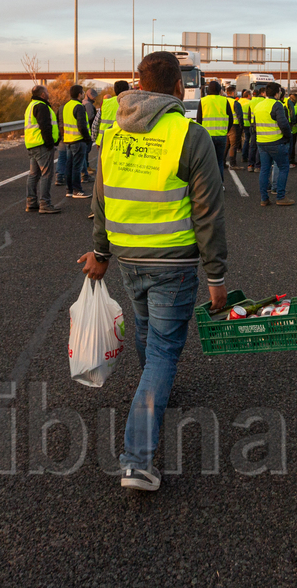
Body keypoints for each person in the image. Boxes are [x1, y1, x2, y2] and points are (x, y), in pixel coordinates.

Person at [79, 50, 227, 493]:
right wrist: (217, 277)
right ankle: (137, 459)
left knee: (147, 331)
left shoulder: (115, 133)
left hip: (128, 257)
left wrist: (100, 251)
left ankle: (154, 391)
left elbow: (100, 200)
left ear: (138, 84)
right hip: (174, 261)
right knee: (163, 351)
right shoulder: (188, 133)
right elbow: (208, 213)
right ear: (180, 87)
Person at [251, 83, 293, 205]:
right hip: (276, 141)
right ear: (277, 93)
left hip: (261, 142)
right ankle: (280, 197)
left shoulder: (258, 105)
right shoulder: (277, 105)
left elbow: (254, 124)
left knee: (264, 169)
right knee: (283, 167)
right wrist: (288, 136)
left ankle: (264, 199)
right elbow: (283, 124)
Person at [24, 85, 61, 214]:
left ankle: (31, 202)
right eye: (46, 92)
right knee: (46, 174)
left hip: (32, 144)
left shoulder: (31, 105)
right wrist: (50, 143)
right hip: (42, 144)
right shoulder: (42, 106)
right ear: (42, 94)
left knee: (33, 174)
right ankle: (45, 203)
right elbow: (45, 125)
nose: (48, 93)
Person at [195, 80, 232, 180]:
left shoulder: (203, 101)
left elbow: (199, 120)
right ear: (219, 90)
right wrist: (226, 130)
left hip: (207, 136)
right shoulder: (224, 101)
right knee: (219, 161)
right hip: (221, 136)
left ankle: (209, 185)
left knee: (207, 162)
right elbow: (231, 118)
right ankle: (220, 184)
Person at [62, 84, 92, 199]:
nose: (83, 94)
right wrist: (87, 138)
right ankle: (77, 190)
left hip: (68, 140)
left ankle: (69, 190)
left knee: (69, 166)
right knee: (77, 167)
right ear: (79, 94)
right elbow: (82, 125)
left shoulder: (66, 106)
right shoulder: (79, 106)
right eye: (82, 92)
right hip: (78, 140)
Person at [225, 86, 244, 168]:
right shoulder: (235, 102)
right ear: (233, 93)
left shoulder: (223, 101)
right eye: (235, 92)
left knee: (226, 145)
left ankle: (222, 162)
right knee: (233, 145)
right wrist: (241, 126)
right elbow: (239, 115)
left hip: (224, 125)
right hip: (234, 126)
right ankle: (233, 163)